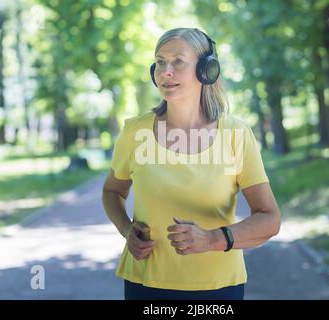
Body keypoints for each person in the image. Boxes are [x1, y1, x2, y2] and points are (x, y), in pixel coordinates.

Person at [102, 27, 281, 300]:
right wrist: (127, 230)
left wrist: (212, 239)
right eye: (160, 62)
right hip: (145, 284)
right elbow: (112, 192)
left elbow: (269, 218)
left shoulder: (235, 134)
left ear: (206, 70)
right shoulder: (134, 132)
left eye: (178, 61)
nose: (165, 71)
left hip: (218, 289)